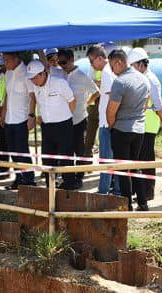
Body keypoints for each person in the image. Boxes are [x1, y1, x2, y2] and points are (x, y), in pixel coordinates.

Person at [104, 48, 150, 211]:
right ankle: (143, 202)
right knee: (135, 166)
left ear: (119, 62)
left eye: (111, 66)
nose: (111, 70)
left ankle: (127, 204)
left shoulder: (120, 82)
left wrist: (111, 126)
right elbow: (146, 103)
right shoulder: (143, 79)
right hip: (139, 129)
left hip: (122, 130)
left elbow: (111, 110)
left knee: (123, 169)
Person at [129, 48, 162, 207]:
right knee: (139, 158)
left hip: (149, 123)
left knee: (146, 158)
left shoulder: (151, 79)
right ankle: (140, 190)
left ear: (140, 64)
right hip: (140, 123)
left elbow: (158, 104)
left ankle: (148, 191)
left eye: (132, 65)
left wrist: (161, 118)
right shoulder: (141, 77)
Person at [28, 60, 75, 185]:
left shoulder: (60, 82)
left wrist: (64, 116)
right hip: (47, 127)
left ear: (42, 74)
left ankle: (69, 186)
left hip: (63, 125)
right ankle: (51, 187)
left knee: (66, 158)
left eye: (34, 78)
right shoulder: (35, 85)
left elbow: (72, 102)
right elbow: (37, 102)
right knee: (47, 159)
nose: (33, 81)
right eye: (31, 78)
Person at [59, 48, 98, 190]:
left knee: (79, 149)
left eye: (64, 62)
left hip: (79, 119)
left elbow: (96, 92)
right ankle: (68, 177)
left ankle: (79, 176)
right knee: (65, 150)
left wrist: (87, 102)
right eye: (59, 62)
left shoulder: (82, 76)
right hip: (64, 120)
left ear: (71, 60)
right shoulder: (60, 75)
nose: (62, 65)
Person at [1, 52, 35, 189]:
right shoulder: (8, 73)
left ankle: (29, 180)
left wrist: (31, 116)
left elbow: (33, 97)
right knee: (12, 151)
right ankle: (19, 178)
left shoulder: (26, 73)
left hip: (22, 119)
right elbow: (7, 96)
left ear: (15, 59)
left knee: (22, 151)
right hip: (9, 119)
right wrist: (3, 115)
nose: (5, 63)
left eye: (6, 60)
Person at [90, 44, 117, 196]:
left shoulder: (106, 73)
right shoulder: (110, 71)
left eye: (91, 61)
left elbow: (112, 97)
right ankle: (115, 189)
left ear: (100, 58)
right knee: (111, 159)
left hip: (107, 123)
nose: (91, 65)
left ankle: (103, 191)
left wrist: (109, 122)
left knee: (106, 159)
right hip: (109, 121)